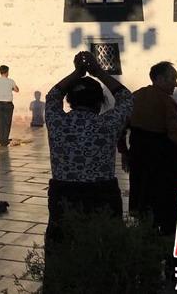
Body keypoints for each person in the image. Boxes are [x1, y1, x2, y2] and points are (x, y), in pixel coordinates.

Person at [43, 51, 132, 289]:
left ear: (70, 100)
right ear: (99, 101)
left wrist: (77, 73)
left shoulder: (57, 121)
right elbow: (126, 98)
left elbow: (52, 96)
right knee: (105, 252)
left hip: (64, 194)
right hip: (102, 194)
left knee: (60, 250)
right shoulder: (108, 123)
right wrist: (98, 72)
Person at [127, 61, 177, 237]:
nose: (175, 84)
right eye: (172, 79)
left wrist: (123, 151)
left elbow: (122, 124)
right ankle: (167, 237)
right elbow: (174, 133)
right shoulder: (166, 102)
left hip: (138, 155)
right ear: (159, 79)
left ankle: (145, 231)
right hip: (161, 159)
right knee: (165, 199)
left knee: (142, 195)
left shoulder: (136, 96)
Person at [0, 65, 19, 147]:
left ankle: (1, 140)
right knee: (7, 122)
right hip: (8, 104)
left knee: (0, 122)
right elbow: (17, 90)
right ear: (7, 72)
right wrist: (11, 88)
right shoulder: (11, 81)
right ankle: (5, 140)